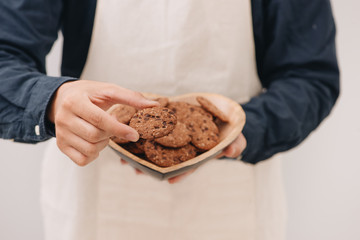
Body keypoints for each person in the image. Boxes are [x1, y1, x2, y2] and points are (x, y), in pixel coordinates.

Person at [0, 0, 339, 239]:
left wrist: (240, 127)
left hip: (232, 205)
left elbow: (309, 74)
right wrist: (53, 100)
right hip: (95, 200)